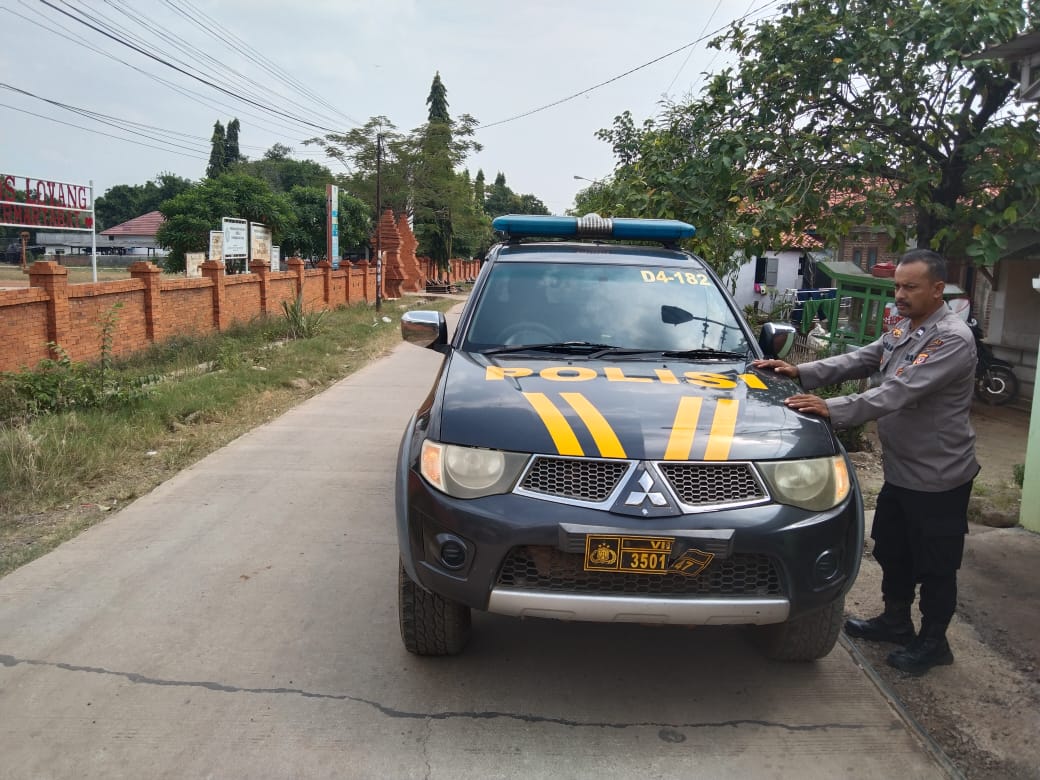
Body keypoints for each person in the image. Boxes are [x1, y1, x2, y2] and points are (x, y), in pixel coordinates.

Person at [752, 249, 979, 676]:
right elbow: (861, 358)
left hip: (939, 475)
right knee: (893, 549)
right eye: (897, 286)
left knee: (935, 563)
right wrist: (801, 372)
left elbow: (899, 391)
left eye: (910, 287)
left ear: (937, 289)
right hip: (902, 468)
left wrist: (832, 408)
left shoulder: (950, 339)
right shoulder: (905, 326)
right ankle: (896, 621)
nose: (900, 295)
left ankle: (934, 642)